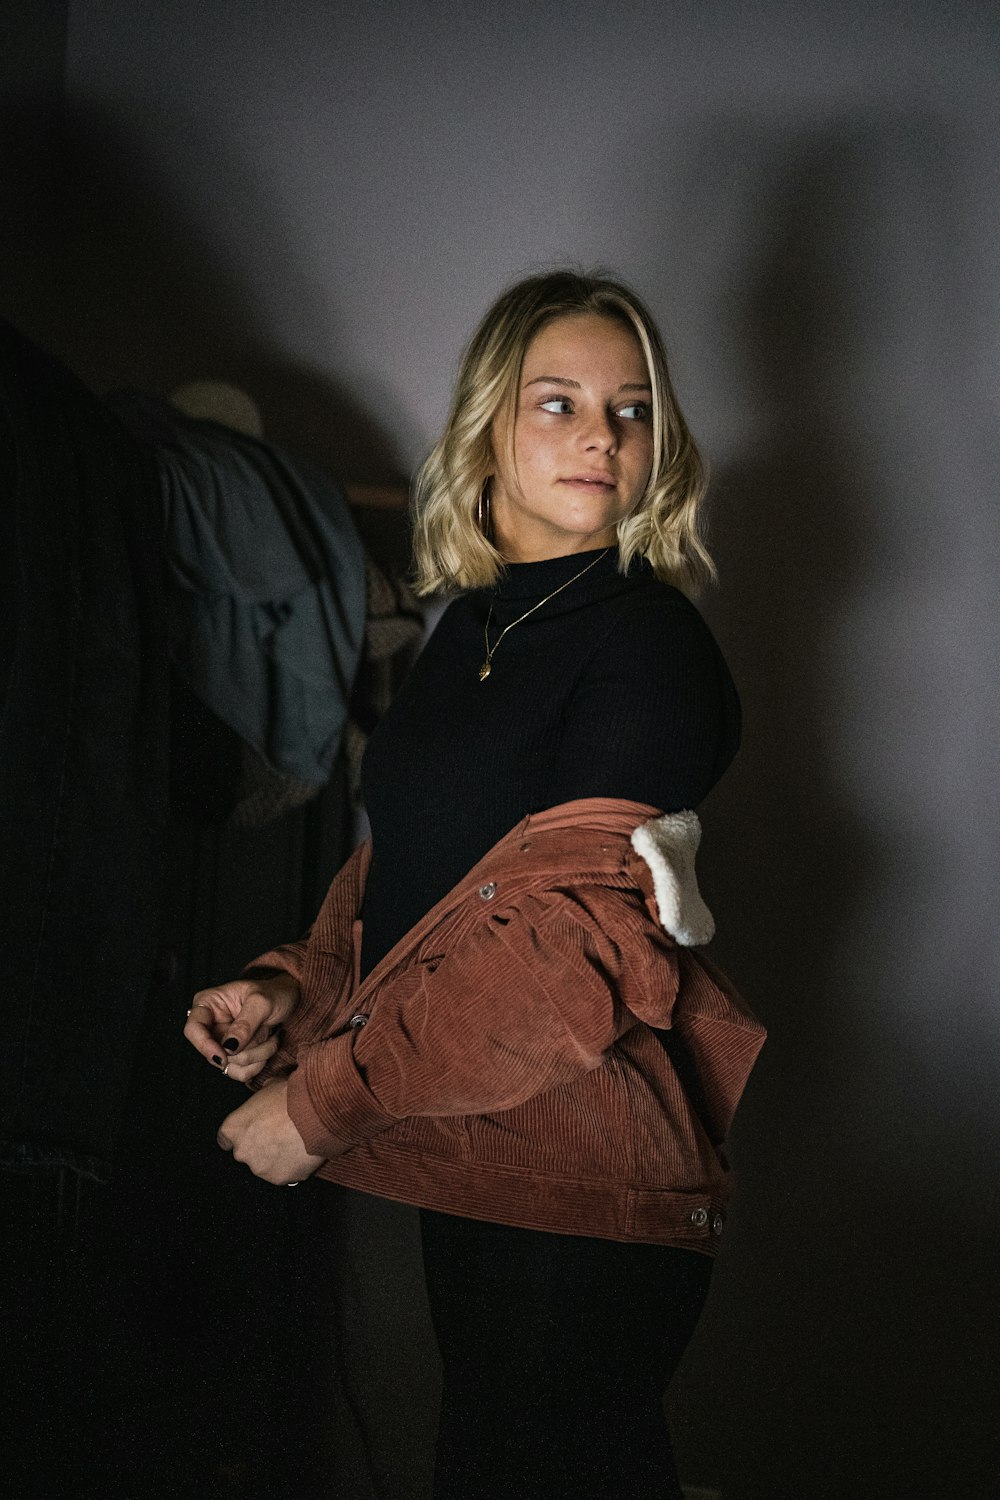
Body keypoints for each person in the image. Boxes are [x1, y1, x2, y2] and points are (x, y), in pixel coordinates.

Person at [183, 270, 765, 1500]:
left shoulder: (646, 642)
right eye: (558, 402)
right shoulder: (474, 630)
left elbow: (571, 944)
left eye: (631, 408)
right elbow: (417, 870)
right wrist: (296, 986)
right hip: (471, 1139)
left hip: (588, 1177)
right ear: (490, 424)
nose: (601, 435)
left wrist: (323, 1106)